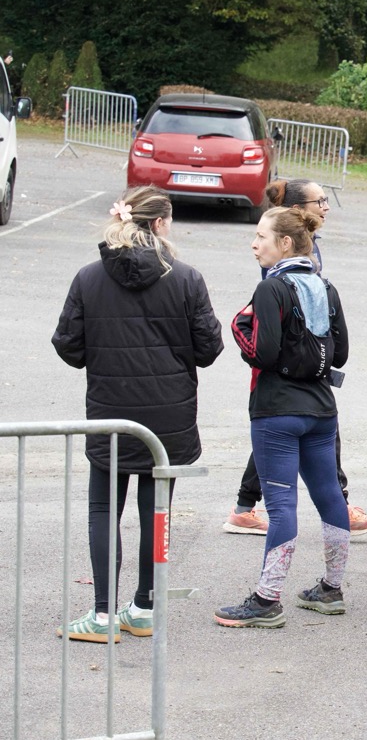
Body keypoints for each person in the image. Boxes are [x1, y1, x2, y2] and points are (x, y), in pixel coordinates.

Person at [52, 187, 223, 642]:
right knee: (156, 512)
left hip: (110, 411)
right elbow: (209, 349)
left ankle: (102, 614)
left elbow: (68, 347)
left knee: (103, 510)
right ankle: (145, 606)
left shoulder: (89, 277)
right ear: (161, 224)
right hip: (169, 416)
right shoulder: (187, 278)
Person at [224, 178, 367, 537]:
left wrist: (245, 331)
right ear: (297, 212)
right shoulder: (288, 273)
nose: (325, 207)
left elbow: (268, 346)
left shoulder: (291, 269)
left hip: (288, 390)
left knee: (279, 465)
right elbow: (325, 348)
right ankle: (330, 519)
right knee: (307, 476)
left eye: (325, 200)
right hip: (306, 388)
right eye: (318, 201)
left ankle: (247, 512)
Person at [217, 206, 351, 628]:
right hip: (322, 409)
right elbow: (341, 354)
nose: (254, 244)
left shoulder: (271, 288)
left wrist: (239, 331)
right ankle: (331, 589)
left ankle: (267, 599)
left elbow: (264, 353)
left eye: (261, 236)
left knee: (280, 505)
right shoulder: (325, 286)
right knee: (330, 494)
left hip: (276, 410)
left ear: (285, 243)